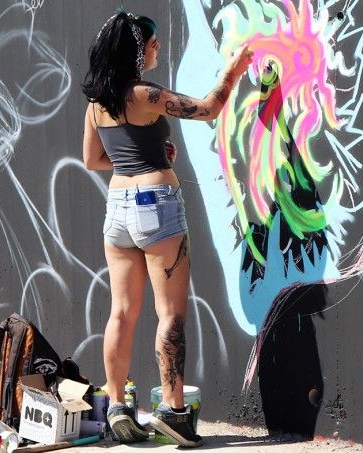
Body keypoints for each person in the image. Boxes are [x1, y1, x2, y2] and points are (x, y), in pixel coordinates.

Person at [81, 10, 252, 447]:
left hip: (118, 207)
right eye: (152, 43)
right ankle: (174, 412)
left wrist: (151, 150)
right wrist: (233, 71)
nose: (157, 48)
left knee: (121, 311)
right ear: (137, 51)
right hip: (156, 204)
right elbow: (208, 109)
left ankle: (116, 405)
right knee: (170, 313)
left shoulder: (98, 102)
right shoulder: (145, 93)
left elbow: (94, 160)